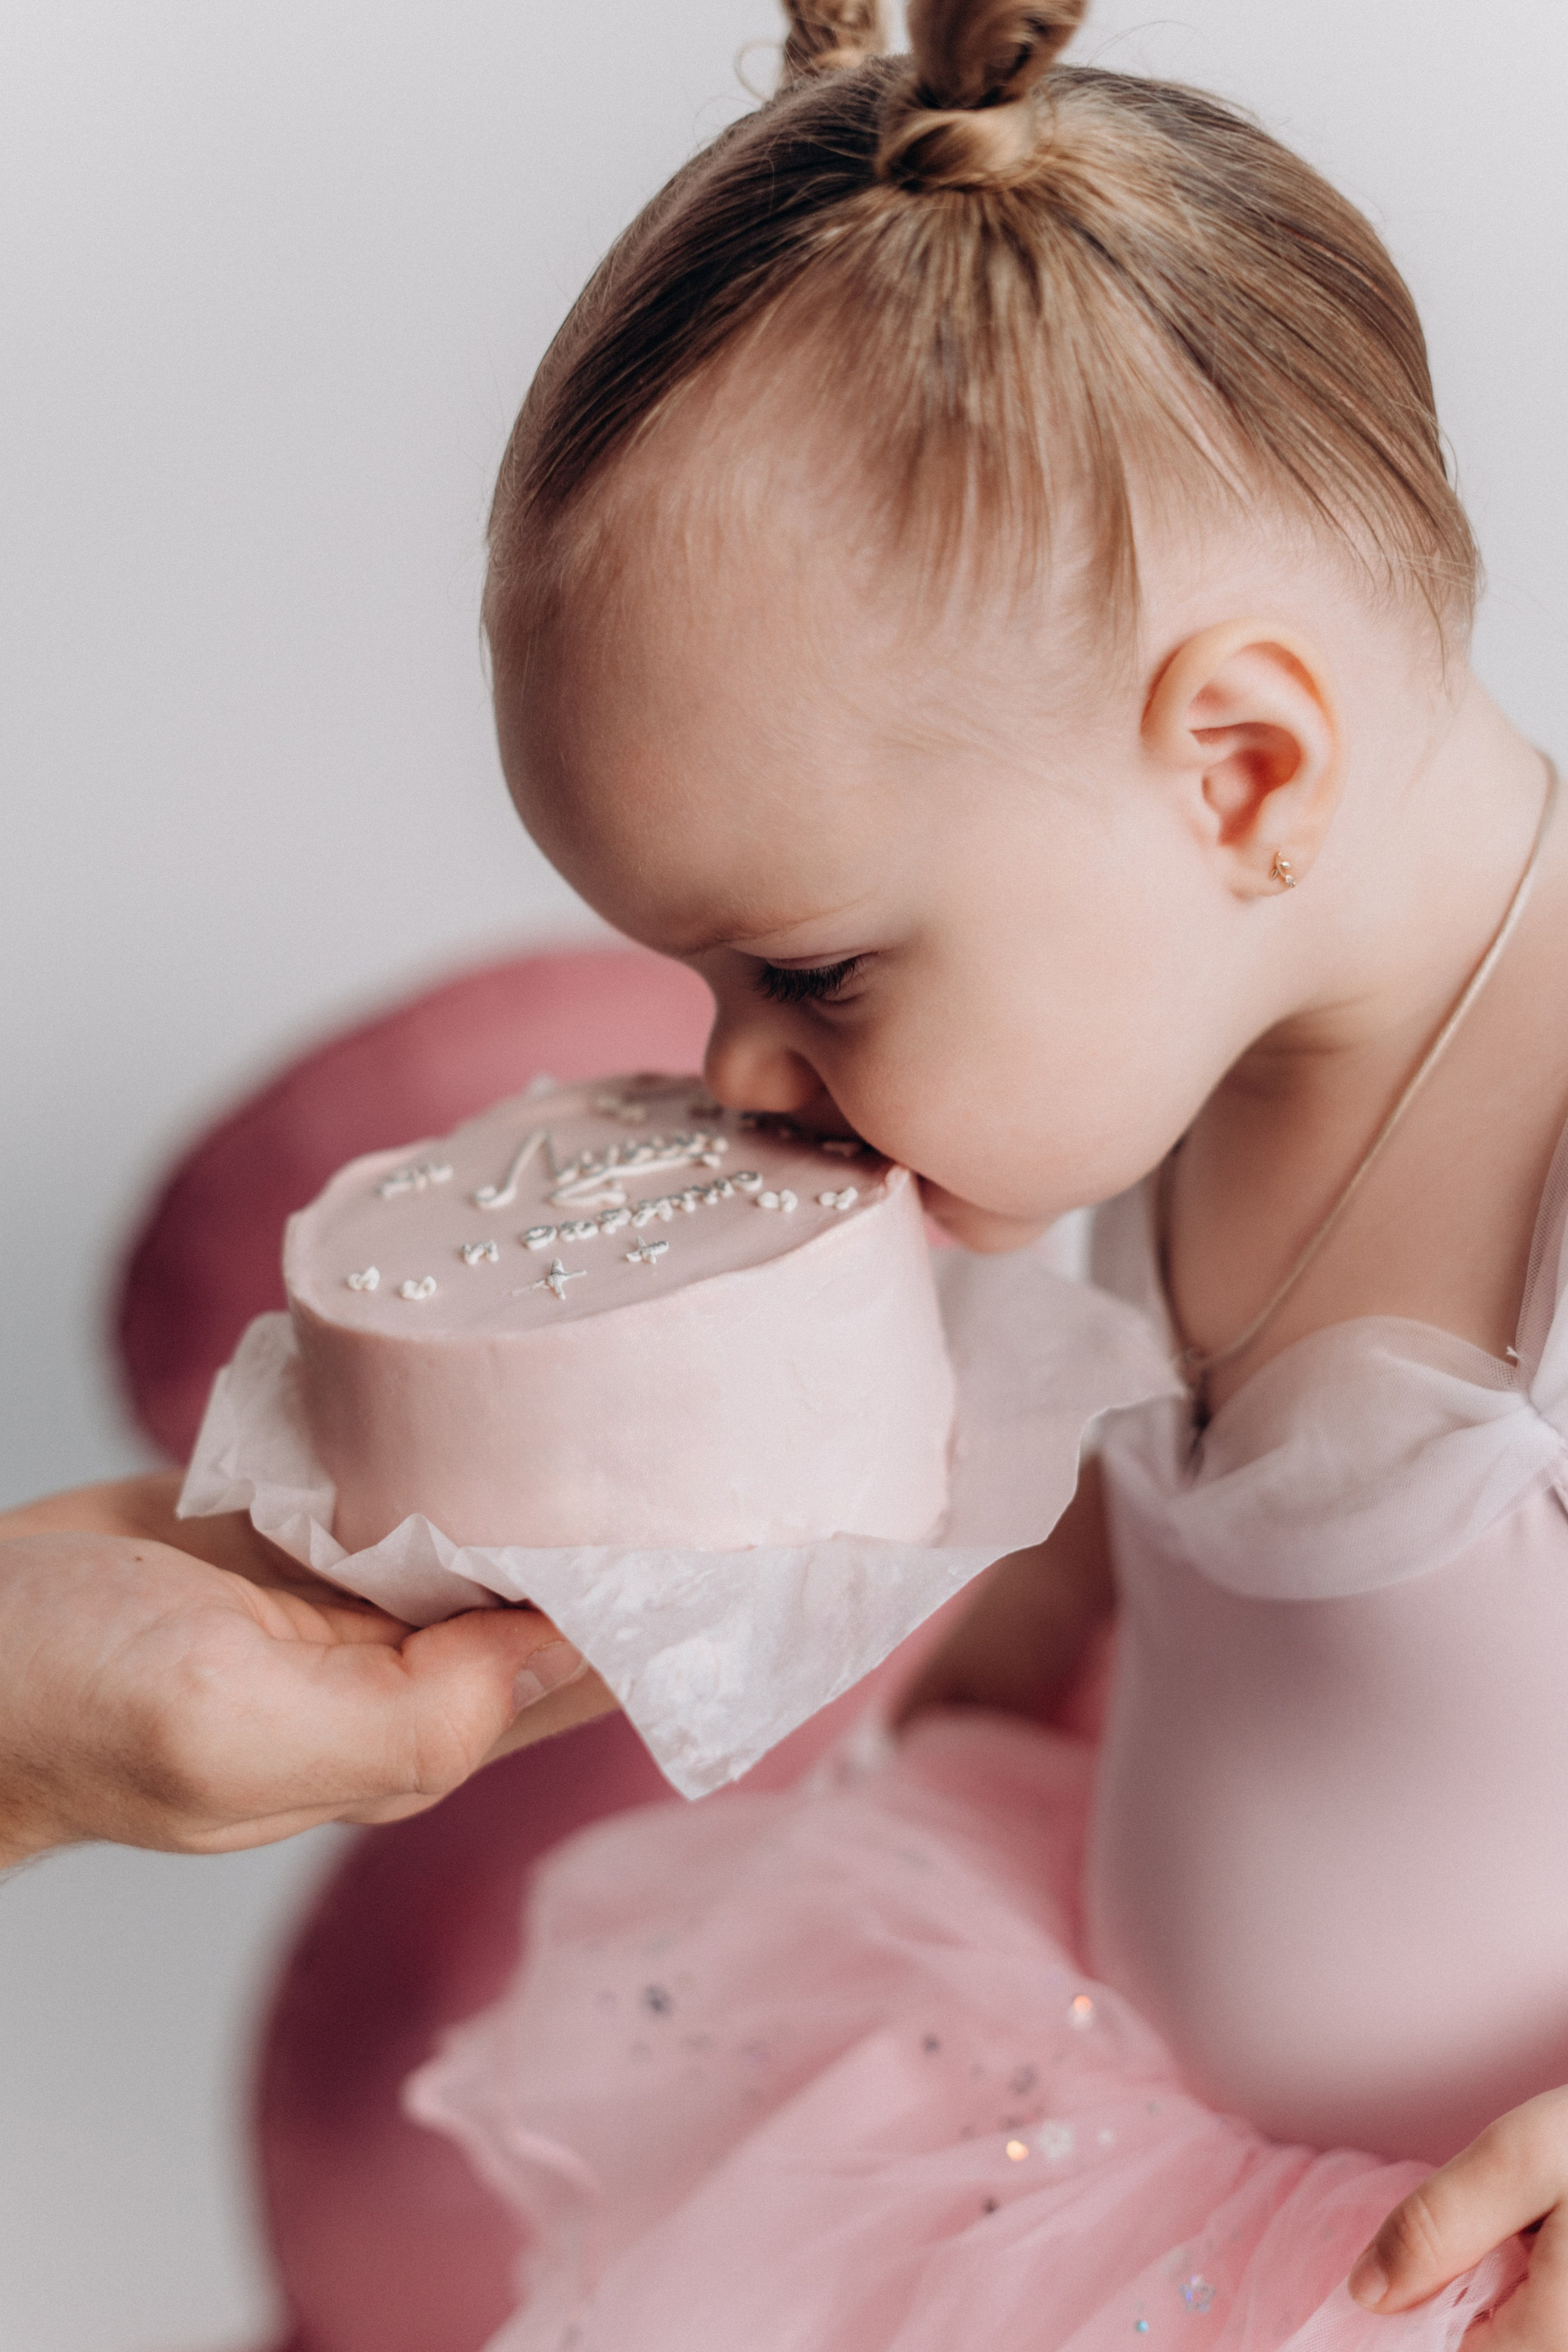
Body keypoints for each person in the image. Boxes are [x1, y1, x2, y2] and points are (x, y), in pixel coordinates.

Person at [6, 0, 1566, 2343]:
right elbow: (1171, 1520)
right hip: (1099, 2136)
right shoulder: (1197, 1035)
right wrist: (1022, 1654)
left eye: (814, 968)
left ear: (1240, 771)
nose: (733, 1075)